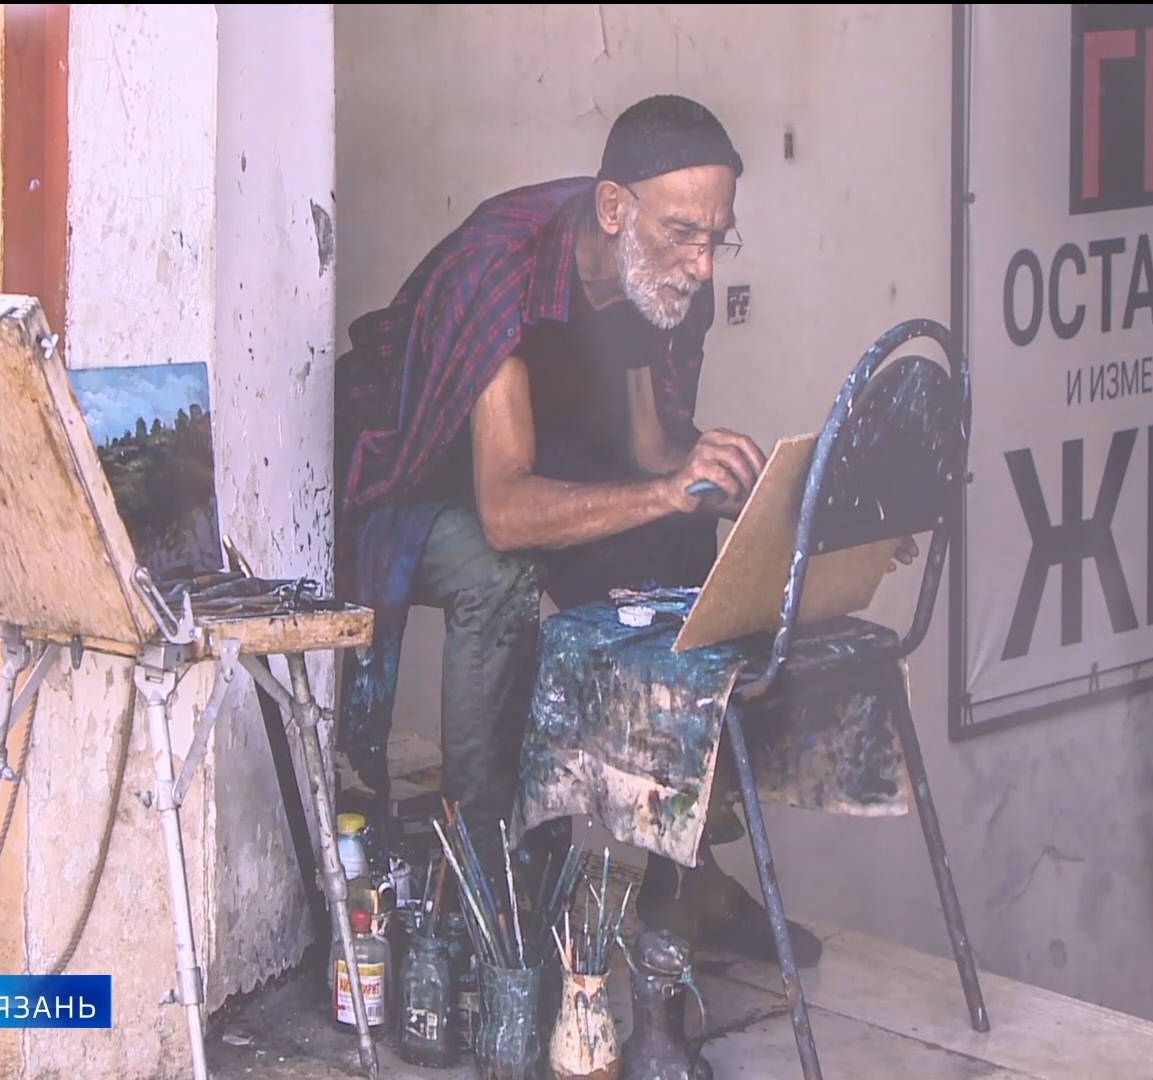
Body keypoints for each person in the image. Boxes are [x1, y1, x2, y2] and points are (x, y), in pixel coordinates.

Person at [333, 94, 820, 965]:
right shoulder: (503, 272)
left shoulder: (657, 276)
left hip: (532, 457)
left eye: (718, 238)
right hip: (411, 471)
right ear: (613, 208)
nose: (702, 264)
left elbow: (650, 449)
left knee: (679, 539)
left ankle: (683, 875)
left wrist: (752, 498)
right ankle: (490, 875)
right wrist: (665, 489)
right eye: (684, 234)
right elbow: (506, 510)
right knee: (499, 573)